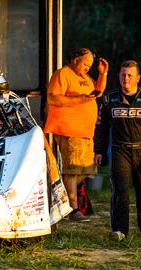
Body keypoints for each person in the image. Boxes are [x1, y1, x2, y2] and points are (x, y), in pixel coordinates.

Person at [44, 48, 109, 221]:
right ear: (75, 59)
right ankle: (73, 209)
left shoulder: (85, 78)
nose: (88, 67)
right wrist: (79, 100)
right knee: (72, 169)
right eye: (85, 63)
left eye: (90, 65)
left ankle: (61, 193)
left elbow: (97, 93)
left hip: (85, 132)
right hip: (68, 129)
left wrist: (103, 74)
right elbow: (53, 98)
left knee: (88, 169)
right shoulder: (62, 74)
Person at [94, 60, 141, 241]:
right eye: (123, 74)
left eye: (130, 75)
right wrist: (98, 150)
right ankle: (119, 230)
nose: (126, 78)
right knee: (120, 190)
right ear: (118, 76)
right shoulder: (109, 98)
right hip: (119, 150)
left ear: (138, 78)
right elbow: (101, 127)